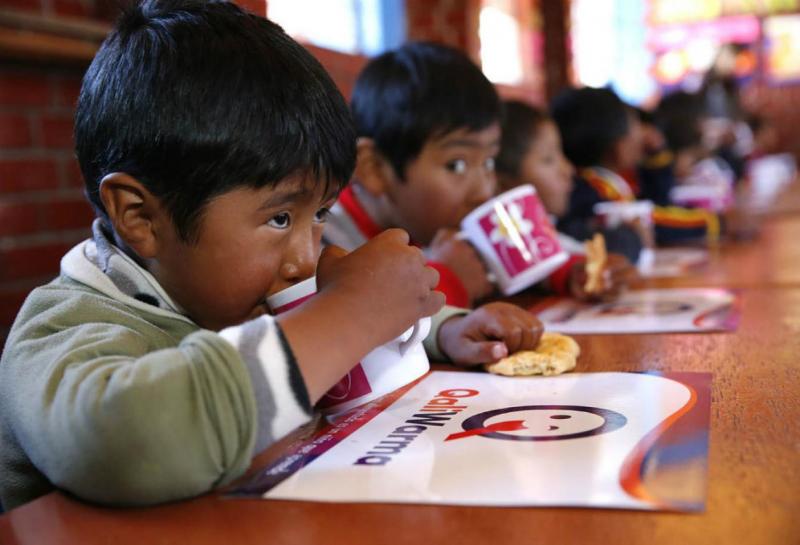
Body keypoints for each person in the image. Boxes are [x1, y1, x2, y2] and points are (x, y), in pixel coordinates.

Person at [0, 0, 543, 511]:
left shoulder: (243, 285)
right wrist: (349, 313)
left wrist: (444, 328)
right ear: (141, 217)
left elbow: (350, 323)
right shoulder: (64, 331)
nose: (306, 257)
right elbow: (120, 447)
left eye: (322, 213)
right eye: (280, 218)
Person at [323, 42, 500, 308]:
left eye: (489, 162)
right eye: (457, 165)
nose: (484, 192)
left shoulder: (416, 226)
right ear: (375, 169)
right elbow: (344, 324)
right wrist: (448, 281)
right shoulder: (324, 243)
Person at [495, 100, 635, 300]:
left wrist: (581, 272)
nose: (568, 170)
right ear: (502, 182)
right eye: (548, 159)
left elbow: (559, 261)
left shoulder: (546, 235)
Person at [551, 87, 720, 248]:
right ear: (619, 147)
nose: (644, 133)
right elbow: (654, 221)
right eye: (636, 125)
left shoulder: (598, 183)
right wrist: (715, 222)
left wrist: (655, 159)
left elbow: (656, 202)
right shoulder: (598, 187)